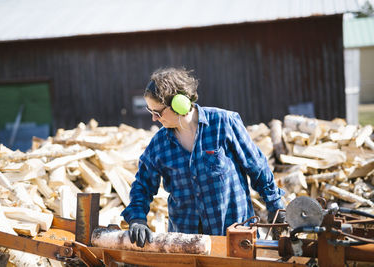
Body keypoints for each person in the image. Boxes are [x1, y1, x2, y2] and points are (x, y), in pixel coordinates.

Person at [121, 67, 285, 248]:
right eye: (150, 111)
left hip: (233, 238)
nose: (153, 118)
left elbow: (257, 167)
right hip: (184, 243)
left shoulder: (224, 123)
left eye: (157, 112)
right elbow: (142, 185)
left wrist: (275, 204)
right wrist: (137, 218)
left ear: (179, 103)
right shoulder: (159, 144)